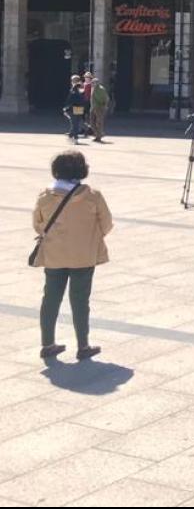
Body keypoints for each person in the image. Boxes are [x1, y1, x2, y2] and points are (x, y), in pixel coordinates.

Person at [32, 151, 112, 361]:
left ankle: (47, 343)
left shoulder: (45, 196)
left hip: (54, 255)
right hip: (83, 256)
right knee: (80, 300)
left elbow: (38, 225)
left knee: (50, 298)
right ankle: (83, 345)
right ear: (82, 170)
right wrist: (89, 237)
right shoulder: (93, 195)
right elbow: (107, 224)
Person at [63, 76, 87, 144]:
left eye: (73, 80)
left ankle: (72, 136)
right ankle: (73, 137)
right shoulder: (77, 88)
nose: (72, 82)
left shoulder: (76, 88)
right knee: (75, 123)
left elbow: (70, 100)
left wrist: (66, 108)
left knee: (75, 124)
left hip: (76, 108)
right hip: (76, 108)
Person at [88, 74, 111, 143]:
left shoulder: (101, 89)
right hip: (93, 108)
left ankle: (98, 136)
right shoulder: (93, 88)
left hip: (99, 108)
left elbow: (106, 98)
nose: (92, 84)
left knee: (99, 123)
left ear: (97, 83)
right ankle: (98, 134)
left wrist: (103, 106)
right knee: (91, 122)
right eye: (92, 83)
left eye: (93, 83)